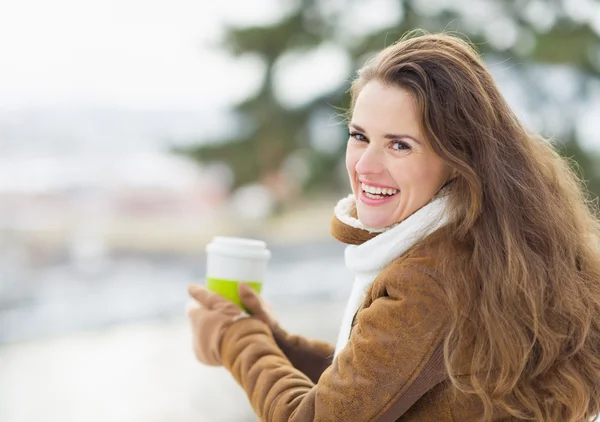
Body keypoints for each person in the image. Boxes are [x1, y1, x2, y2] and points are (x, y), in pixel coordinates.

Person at [186, 31, 600, 421]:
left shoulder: (428, 277)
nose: (366, 165)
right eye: (360, 136)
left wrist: (235, 337)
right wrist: (273, 339)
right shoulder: (483, 246)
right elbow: (383, 379)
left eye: (399, 144)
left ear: (458, 158)